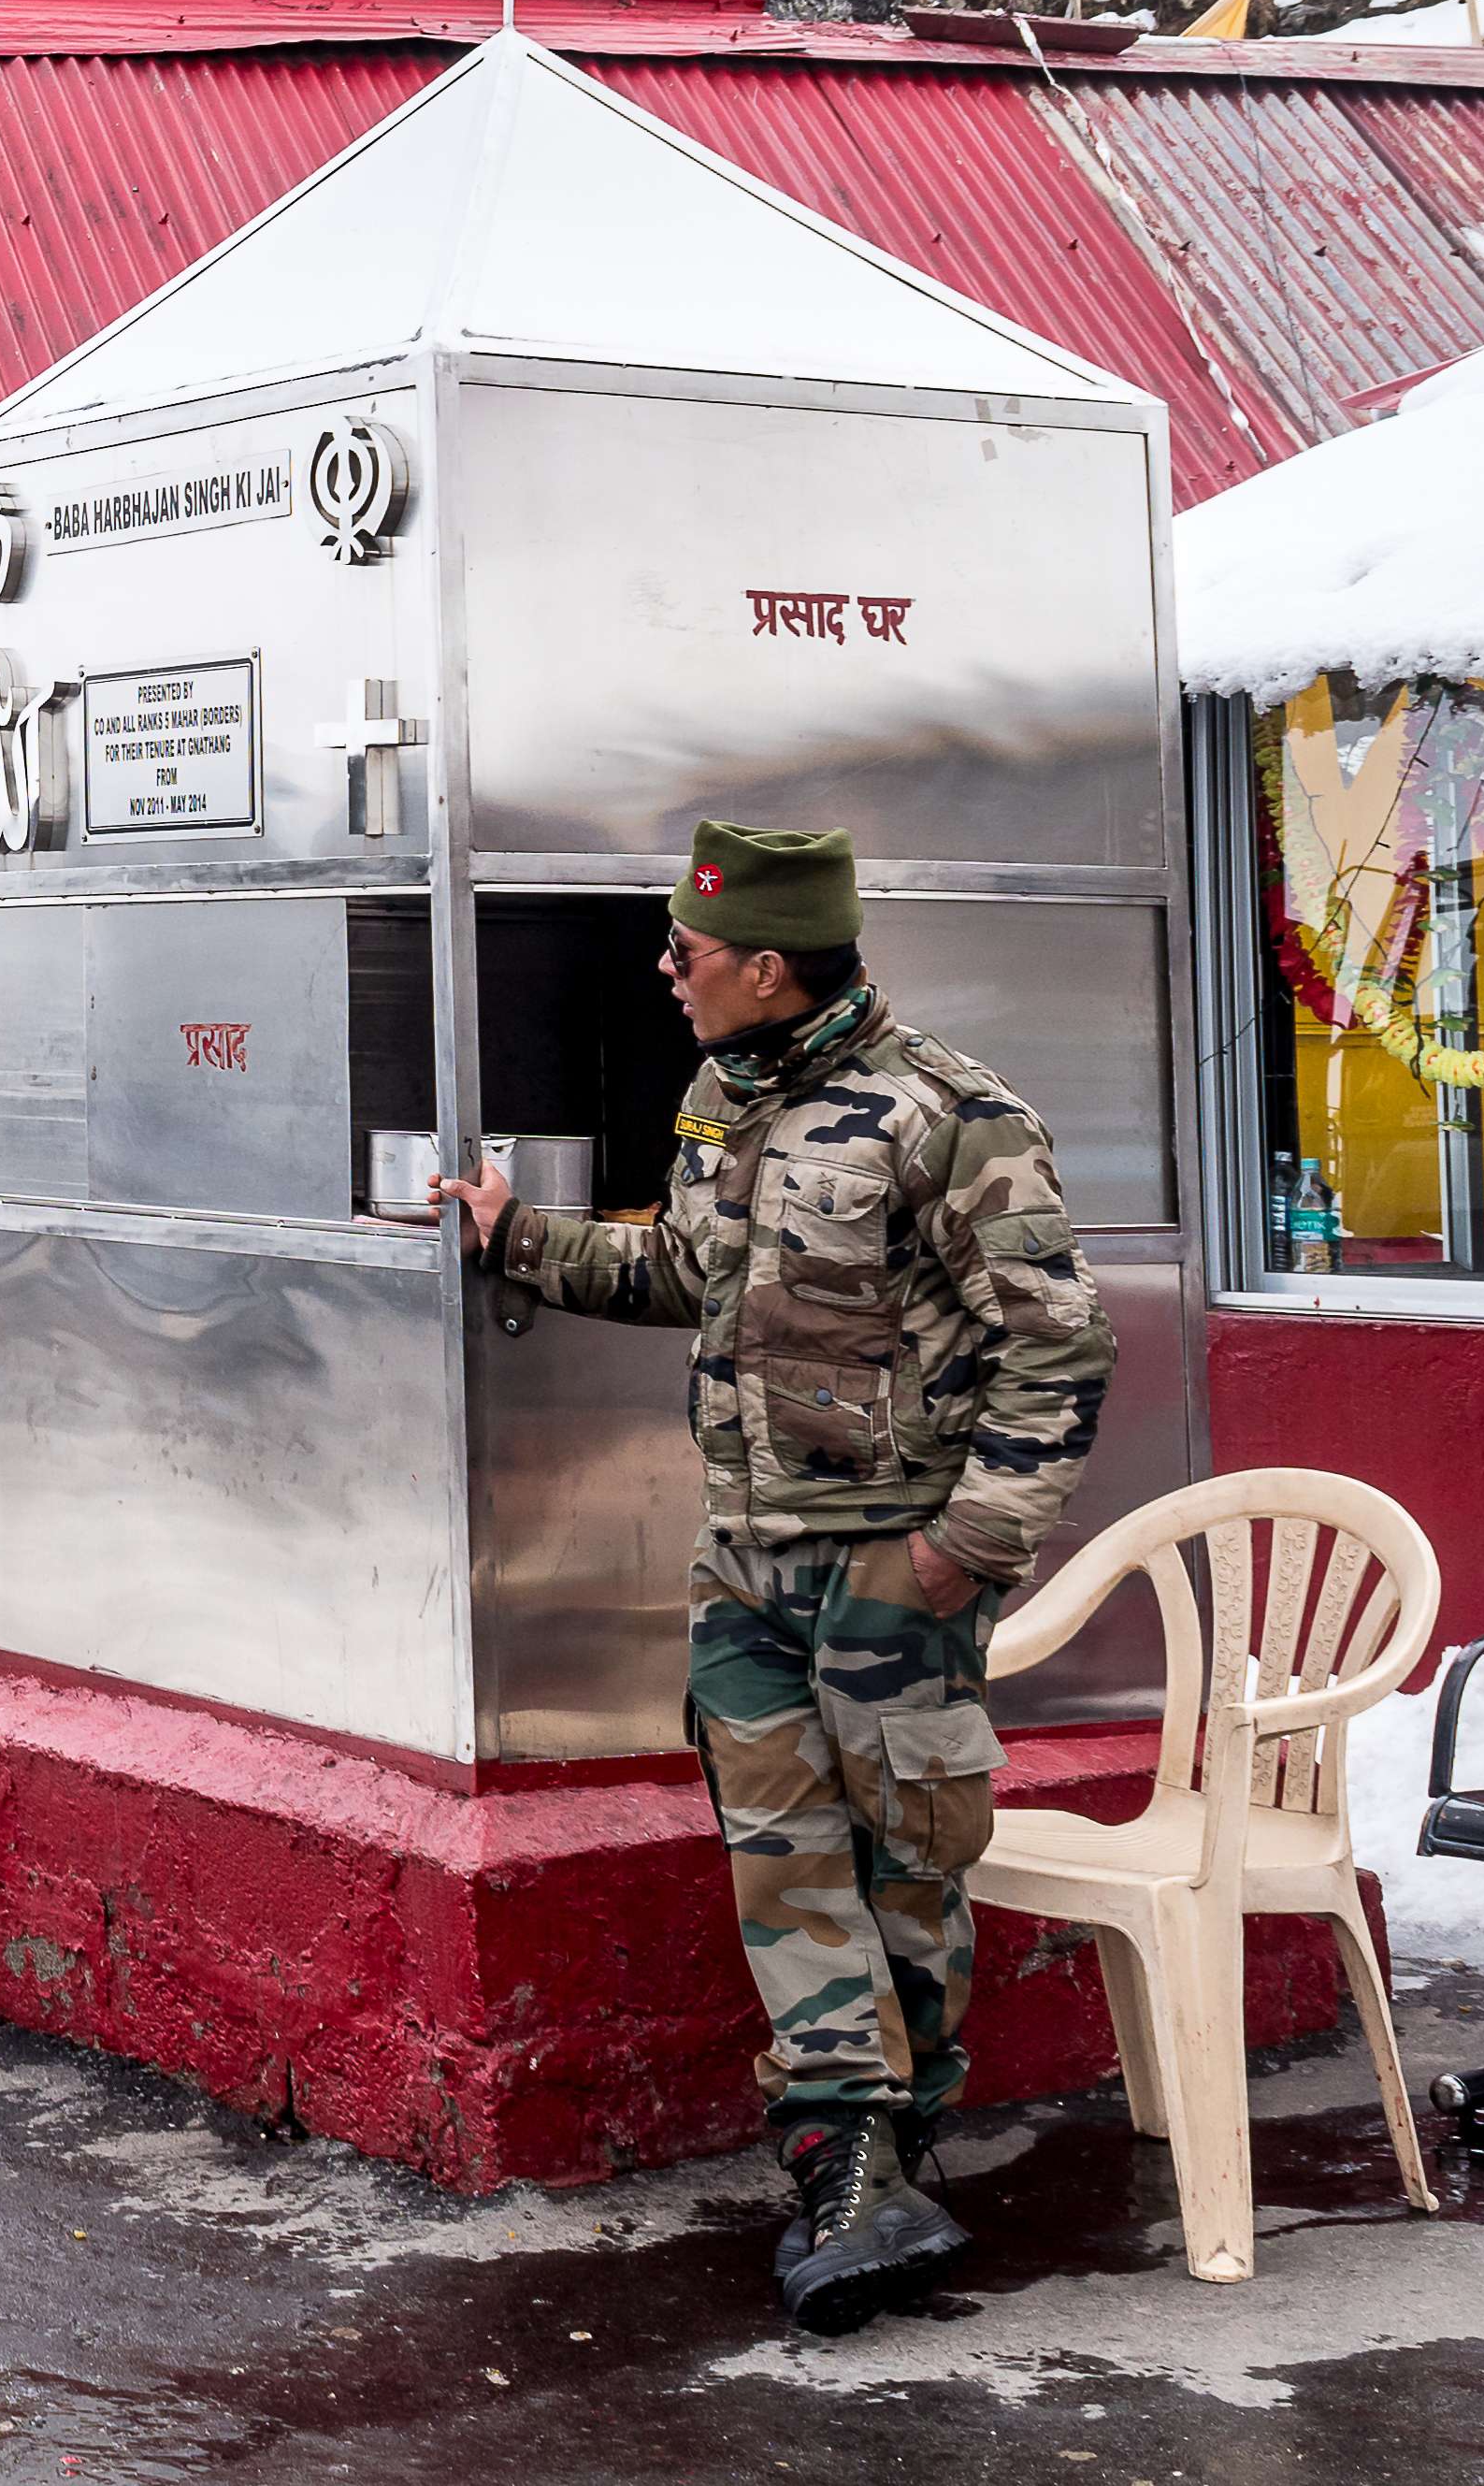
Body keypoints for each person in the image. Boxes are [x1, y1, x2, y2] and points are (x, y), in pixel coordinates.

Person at [427, 823, 1106, 2338]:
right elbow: (690, 1273)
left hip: (892, 1564)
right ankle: (846, 2164)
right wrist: (515, 1236)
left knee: (906, 1863)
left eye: (687, 949)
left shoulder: (950, 1118)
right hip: (745, 1559)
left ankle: (886, 2156)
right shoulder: (721, 1098)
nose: (666, 969)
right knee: (784, 1863)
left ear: (767, 963)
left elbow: (1058, 1347)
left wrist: (965, 1549)